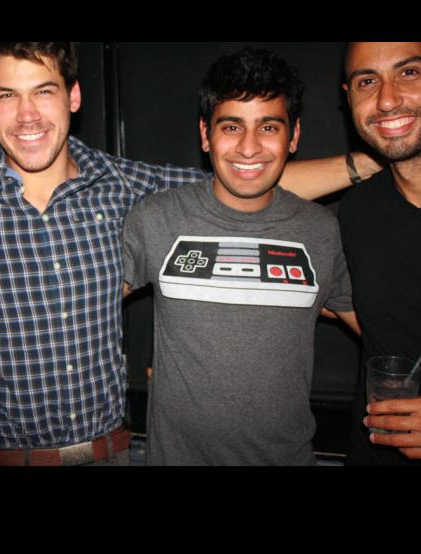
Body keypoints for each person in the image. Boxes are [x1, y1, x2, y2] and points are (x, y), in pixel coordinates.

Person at [0, 42, 377, 466]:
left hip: (107, 454)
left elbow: (243, 178)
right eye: (7, 95)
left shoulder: (125, 186)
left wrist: (378, 158)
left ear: (73, 96)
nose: (27, 115)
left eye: (43, 91)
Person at [122, 47, 360, 465]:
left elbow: (387, 335)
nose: (249, 148)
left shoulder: (323, 232)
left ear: (294, 136)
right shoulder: (155, 218)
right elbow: (81, 312)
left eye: (268, 126)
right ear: (205, 134)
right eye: (231, 126)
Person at [339, 42, 421, 464]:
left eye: (408, 73)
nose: (386, 99)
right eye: (367, 81)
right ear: (348, 98)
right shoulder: (357, 211)